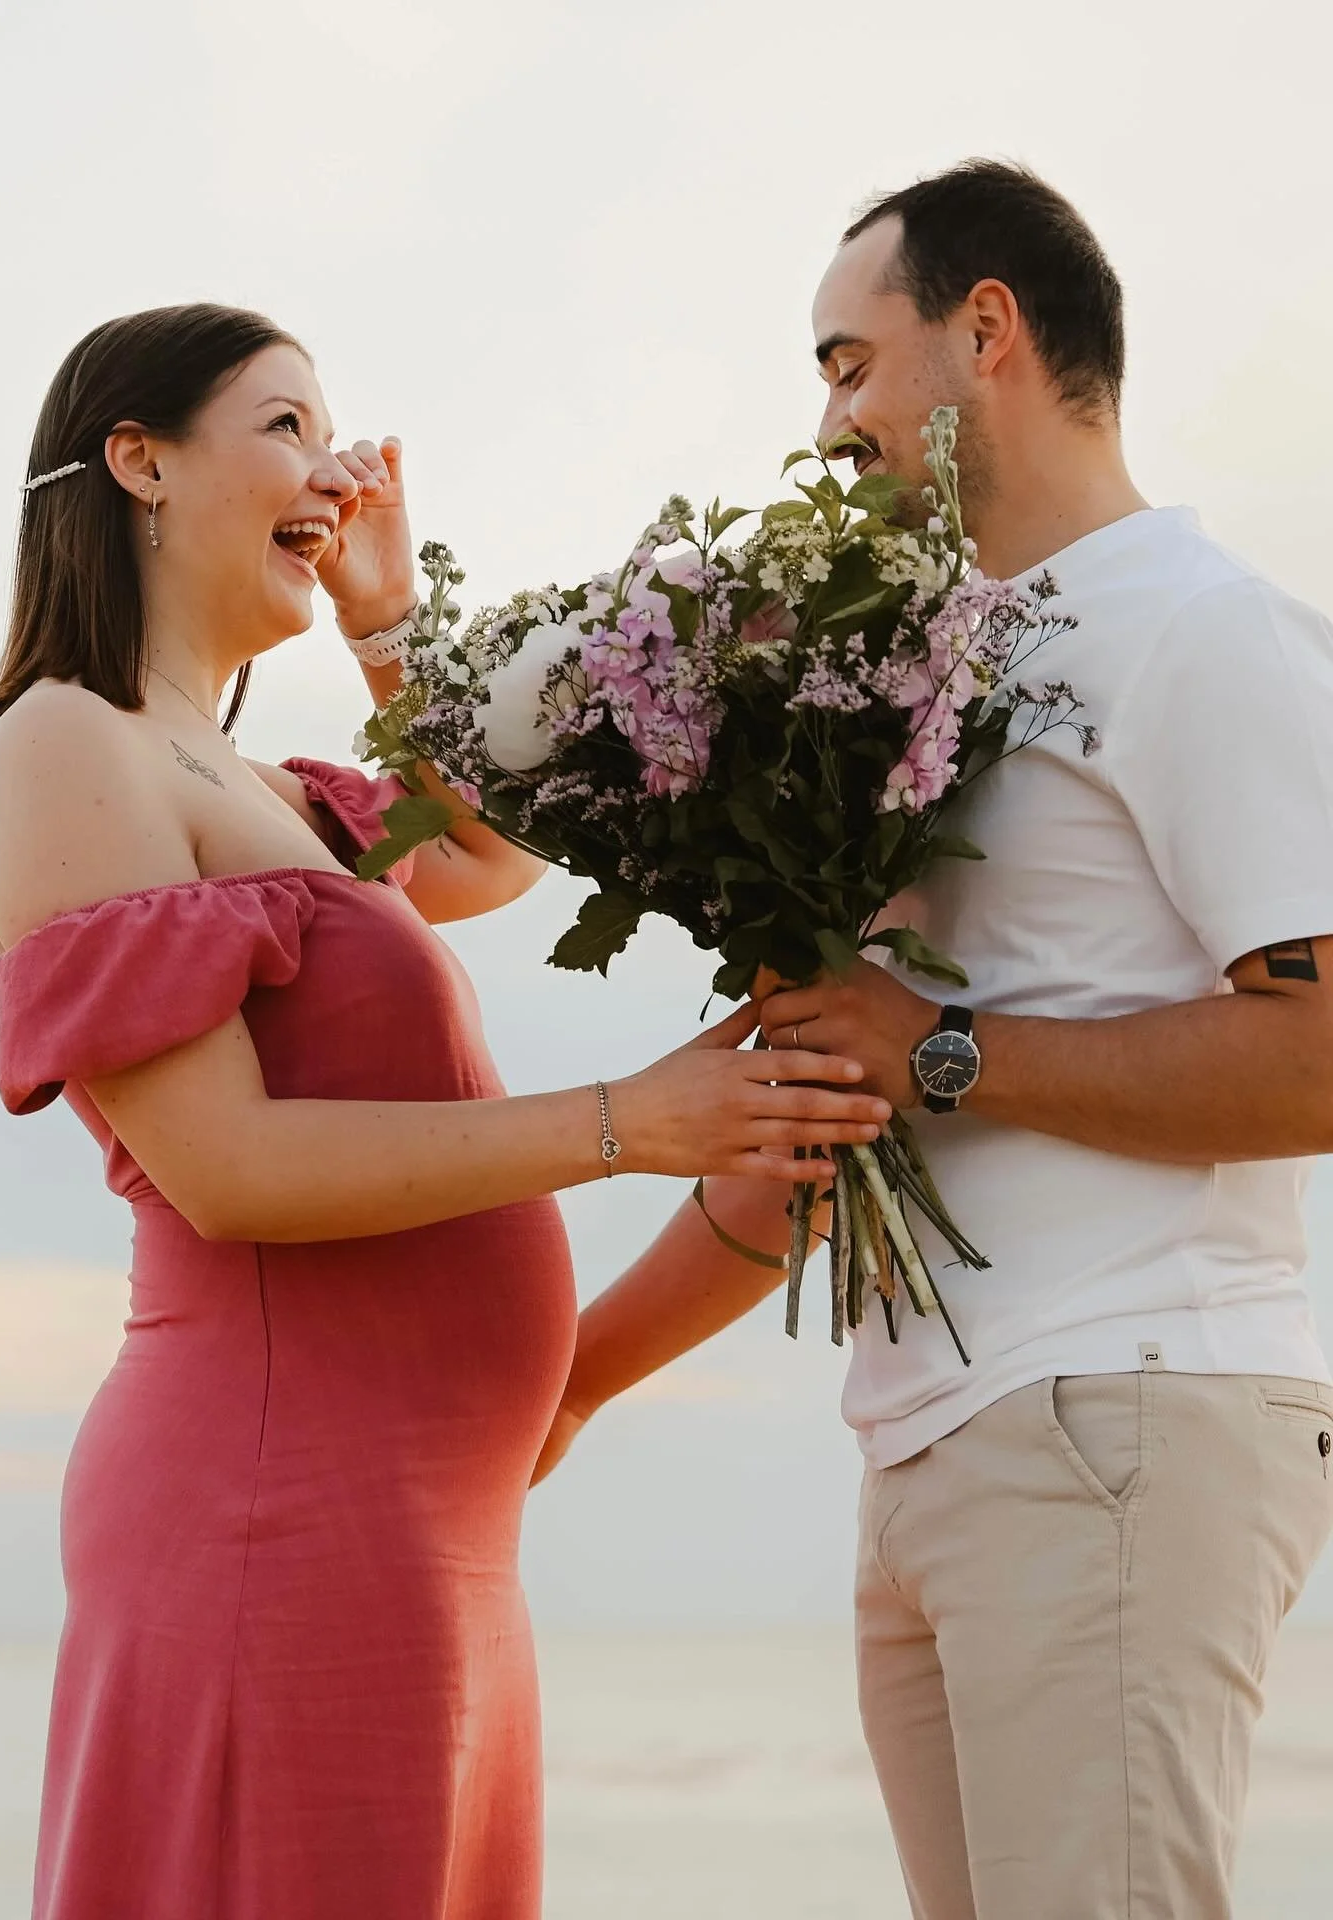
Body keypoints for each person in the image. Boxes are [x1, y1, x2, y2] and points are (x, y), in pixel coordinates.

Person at [0, 303, 890, 1920]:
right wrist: (632, 1122)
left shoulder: (288, 800)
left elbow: (489, 847)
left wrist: (386, 618)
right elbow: (228, 1168)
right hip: (278, 1505)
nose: (333, 471)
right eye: (285, 427)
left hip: (433, 1529)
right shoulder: (67, 744)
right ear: (140, 462)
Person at [535, 163, 1333, 1919]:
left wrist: (945, 1049)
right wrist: (578, 1376)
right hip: (936, 1444)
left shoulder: (1199, 629)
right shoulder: (931, 679)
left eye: (850, 363)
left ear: (987, 333)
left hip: (1120, 1401)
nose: (828, 425)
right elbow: (840, 1093)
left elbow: (1319, 1054)